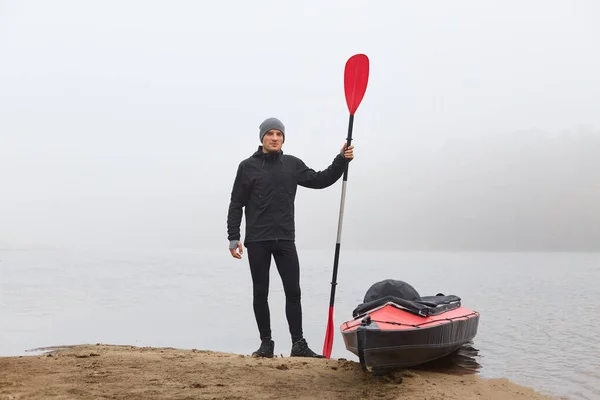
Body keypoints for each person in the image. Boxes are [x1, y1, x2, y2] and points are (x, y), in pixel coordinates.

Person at [226, 117, 354, 358]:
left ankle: (298, 344)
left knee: (293, 291)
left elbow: (320, 179)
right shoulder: (247, 167)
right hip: (257, 241)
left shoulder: (292, 165)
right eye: (270, 134)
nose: (275, 138)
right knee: (260, 292)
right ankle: (266, 344)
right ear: (262, 137)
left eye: (279, 134)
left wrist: (341, 160)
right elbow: (236, 203)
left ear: (283, 138)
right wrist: (234, 236)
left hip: (285, 239)